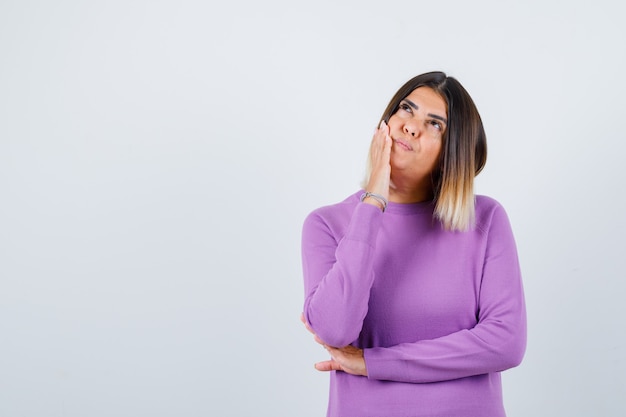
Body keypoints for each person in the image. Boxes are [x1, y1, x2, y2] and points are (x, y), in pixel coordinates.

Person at [300, 71, 526, 417]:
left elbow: (506, 343)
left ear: (454, 152)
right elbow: (334, 329)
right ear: (385, 123)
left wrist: (374, 362)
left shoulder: (485, 219)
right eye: (406, 109)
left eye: (435, 124)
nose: (411, 126)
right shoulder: (327, 224)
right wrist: (373, 202)